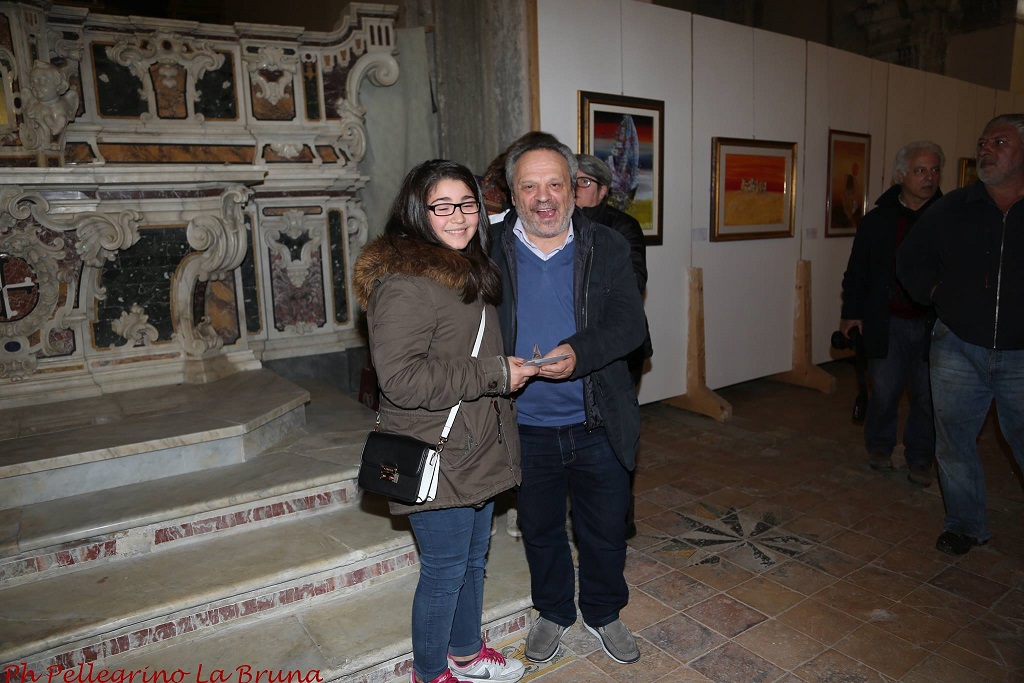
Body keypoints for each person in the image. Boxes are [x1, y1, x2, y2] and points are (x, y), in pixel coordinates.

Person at [354, 159, 538, 683]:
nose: (459, 216)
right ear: (417, 211)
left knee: (473, 560)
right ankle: (430, 672)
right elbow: (402, 380)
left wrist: (504, 371)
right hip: (437, 452)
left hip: (476, 445)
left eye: (467, 204)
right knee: (443, 572)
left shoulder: (467, 268)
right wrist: (496, 373)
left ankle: (465, 651)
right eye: (442, 206)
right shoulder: (405, 284)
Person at [490, 134, 647, 665]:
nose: (543, 198)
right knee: (539, 530)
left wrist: (579, 353)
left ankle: (604, 612)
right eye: (529, 186)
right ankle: (553, 611)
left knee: (604, 529)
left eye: (555, 184)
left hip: (596, 420)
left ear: (574, 189)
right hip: (524, 424)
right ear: (512, 192)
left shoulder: (608, 246)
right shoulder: (487, 249)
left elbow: (630, 325)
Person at [897, 114, 1024, 557]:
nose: (986, 149)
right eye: (983, 142)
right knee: (952, 442)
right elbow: (910, 259)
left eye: (999, 142)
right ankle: (965, 525)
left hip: (1021, 355)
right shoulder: (954, 207)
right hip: (957, 347)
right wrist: (936, 294)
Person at [839, 141, 944, 486]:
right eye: (920, 170)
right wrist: (851, 313)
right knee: (884, 391)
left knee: (927, 396)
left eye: (934, 170)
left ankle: (920, 457)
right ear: (901, 175)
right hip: (888, 321)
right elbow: (857, 272)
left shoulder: (950, 220)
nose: (929, 178)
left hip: (934, 324)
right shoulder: (877, 221)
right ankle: (880, 447)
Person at [575, 153, 653, 538]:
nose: (574, 190)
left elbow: (634, 282)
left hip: (619, 347)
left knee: (616, 431)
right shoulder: (554, 225)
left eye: (583, 182)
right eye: (569, 182)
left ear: (603, 190)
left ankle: (621, 518)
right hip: (572, 345)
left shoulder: (623, 227)